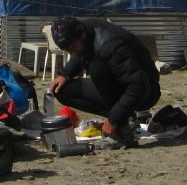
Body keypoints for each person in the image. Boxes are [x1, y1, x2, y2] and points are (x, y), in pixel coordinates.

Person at [48, 16, 161, 148]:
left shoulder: (109, 44)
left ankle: (122, 129)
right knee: (62, 90)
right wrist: (65, 74)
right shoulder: (85, 32)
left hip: (147, 92)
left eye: (73, 47)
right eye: (67, 49)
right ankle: (125, 119)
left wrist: (113, 119)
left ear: (82, 35)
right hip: (123, 86)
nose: (72, 52)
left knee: (97, 68)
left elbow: (139, 85)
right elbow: (80, 53)